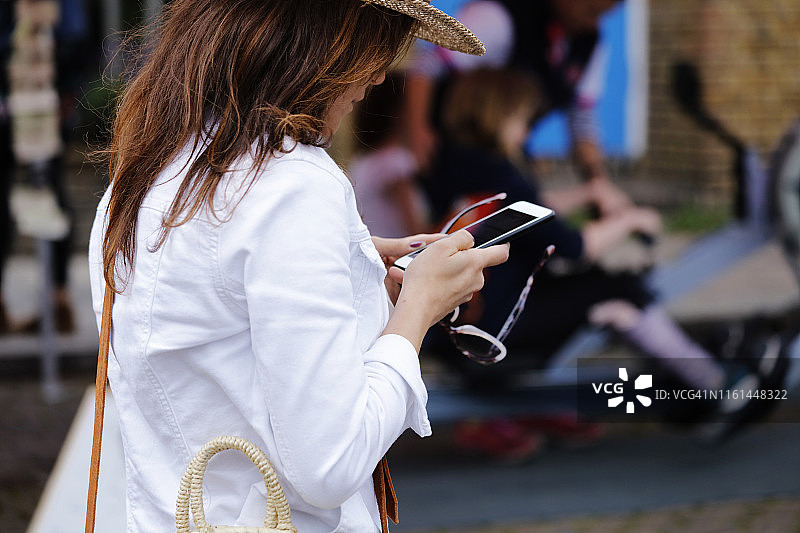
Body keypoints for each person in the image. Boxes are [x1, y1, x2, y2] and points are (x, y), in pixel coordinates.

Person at [88, 1, 505, 531]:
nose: (379, 73)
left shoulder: (145, 177)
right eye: (374, 42)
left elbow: (195, 312)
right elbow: (330, 465)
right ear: (316, 36)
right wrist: (419, 309)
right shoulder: (292, 187)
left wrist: (342, 261)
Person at [424, 67, 765, 459]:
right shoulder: (501, 172)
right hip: (498, 328)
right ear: (497, 116)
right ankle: (717, 388)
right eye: (521, 120)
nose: (526, 130)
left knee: (607, 292)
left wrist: (589, 191)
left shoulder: (458, 165)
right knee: (615, 289)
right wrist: (630, 220)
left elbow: (530, 211)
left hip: (467, 325)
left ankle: (697, 382)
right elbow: (573, 246)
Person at [404, 0, 626, 202]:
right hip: (446, 153)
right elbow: (427, 67)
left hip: (499, 160)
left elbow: (581, 116)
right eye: (590, 10)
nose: (592, 23)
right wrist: (416, 130)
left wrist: (597, 179)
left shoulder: (588, 43)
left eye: (603, 14)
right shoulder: (500, 16)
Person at [351, 70, 429, 238]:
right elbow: (416, 231)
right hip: (396, 256)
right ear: (402, 111)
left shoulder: (364, 159)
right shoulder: (395, 162)